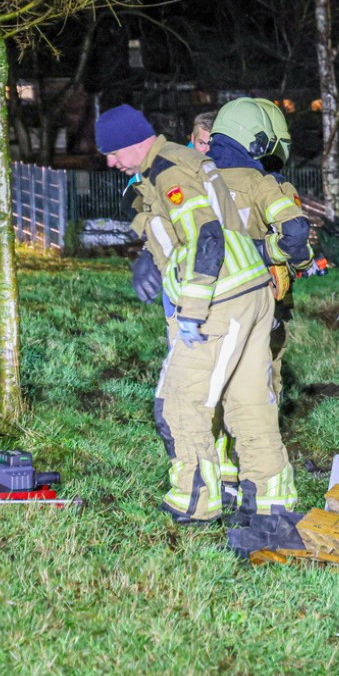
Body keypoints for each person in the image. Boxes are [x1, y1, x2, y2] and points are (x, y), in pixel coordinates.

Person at [99, 103, 296, 525]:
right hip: (250, 289)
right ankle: (270, 502)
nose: (111, 162)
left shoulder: (168, 171)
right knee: (248, 403)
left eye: (114, 152)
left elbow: (204, 236)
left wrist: (191, 310)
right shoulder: (185, 161)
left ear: (134, 143)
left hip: (219, 297)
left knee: (181, 402)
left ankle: (195, 497)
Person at [204, 97, 314, 508]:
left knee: (209, 390)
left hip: (205, 309)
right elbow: (296, 238)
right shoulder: (265, 185)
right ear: (259, 142)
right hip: (260, 309)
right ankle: (261, 485)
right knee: (260, 391)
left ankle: (218, 476)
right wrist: (272, 253)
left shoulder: (196, 181)